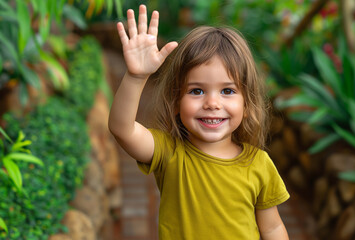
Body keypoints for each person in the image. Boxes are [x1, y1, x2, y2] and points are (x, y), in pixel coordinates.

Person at [109, 4, 290, 240]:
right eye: (196, 91)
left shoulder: (259, 165)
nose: (212, 103)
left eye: (227, 91)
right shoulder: (169, 153)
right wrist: (136, 77)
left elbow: (273, 228)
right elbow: (122, 129)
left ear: (247, 104)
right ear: (176, 102)